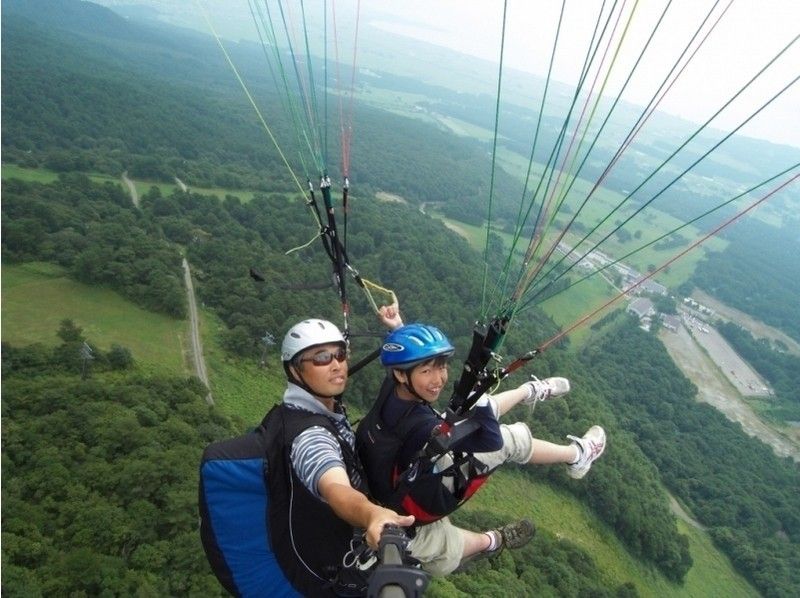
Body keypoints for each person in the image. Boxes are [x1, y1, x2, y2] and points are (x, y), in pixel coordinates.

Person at [271, 317, 534, 593]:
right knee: (443, 545)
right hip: (364, 527)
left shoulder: (320, 406)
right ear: (294, 369)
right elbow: (334, 487)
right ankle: (493, 542)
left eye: (340, 353)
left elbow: (403, 371)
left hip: (383, 485)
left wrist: (398, 330)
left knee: (437, 531)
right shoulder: (310, 436)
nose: (337, 364)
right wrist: (371, 514)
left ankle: (537, 402)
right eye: (322, 358)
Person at [356, 314, 607, 567]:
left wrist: (400, 331)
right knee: (511, 438)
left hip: (399, 471)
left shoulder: (394, 389)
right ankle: (578, 455)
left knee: (470, 412)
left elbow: (408, 369)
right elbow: (490, 440)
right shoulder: (424, 428)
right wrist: (483, 398)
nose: (439, 379)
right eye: (426, 370)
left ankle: (528, 392)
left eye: (441, 366)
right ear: (402, 374)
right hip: (413, 501)